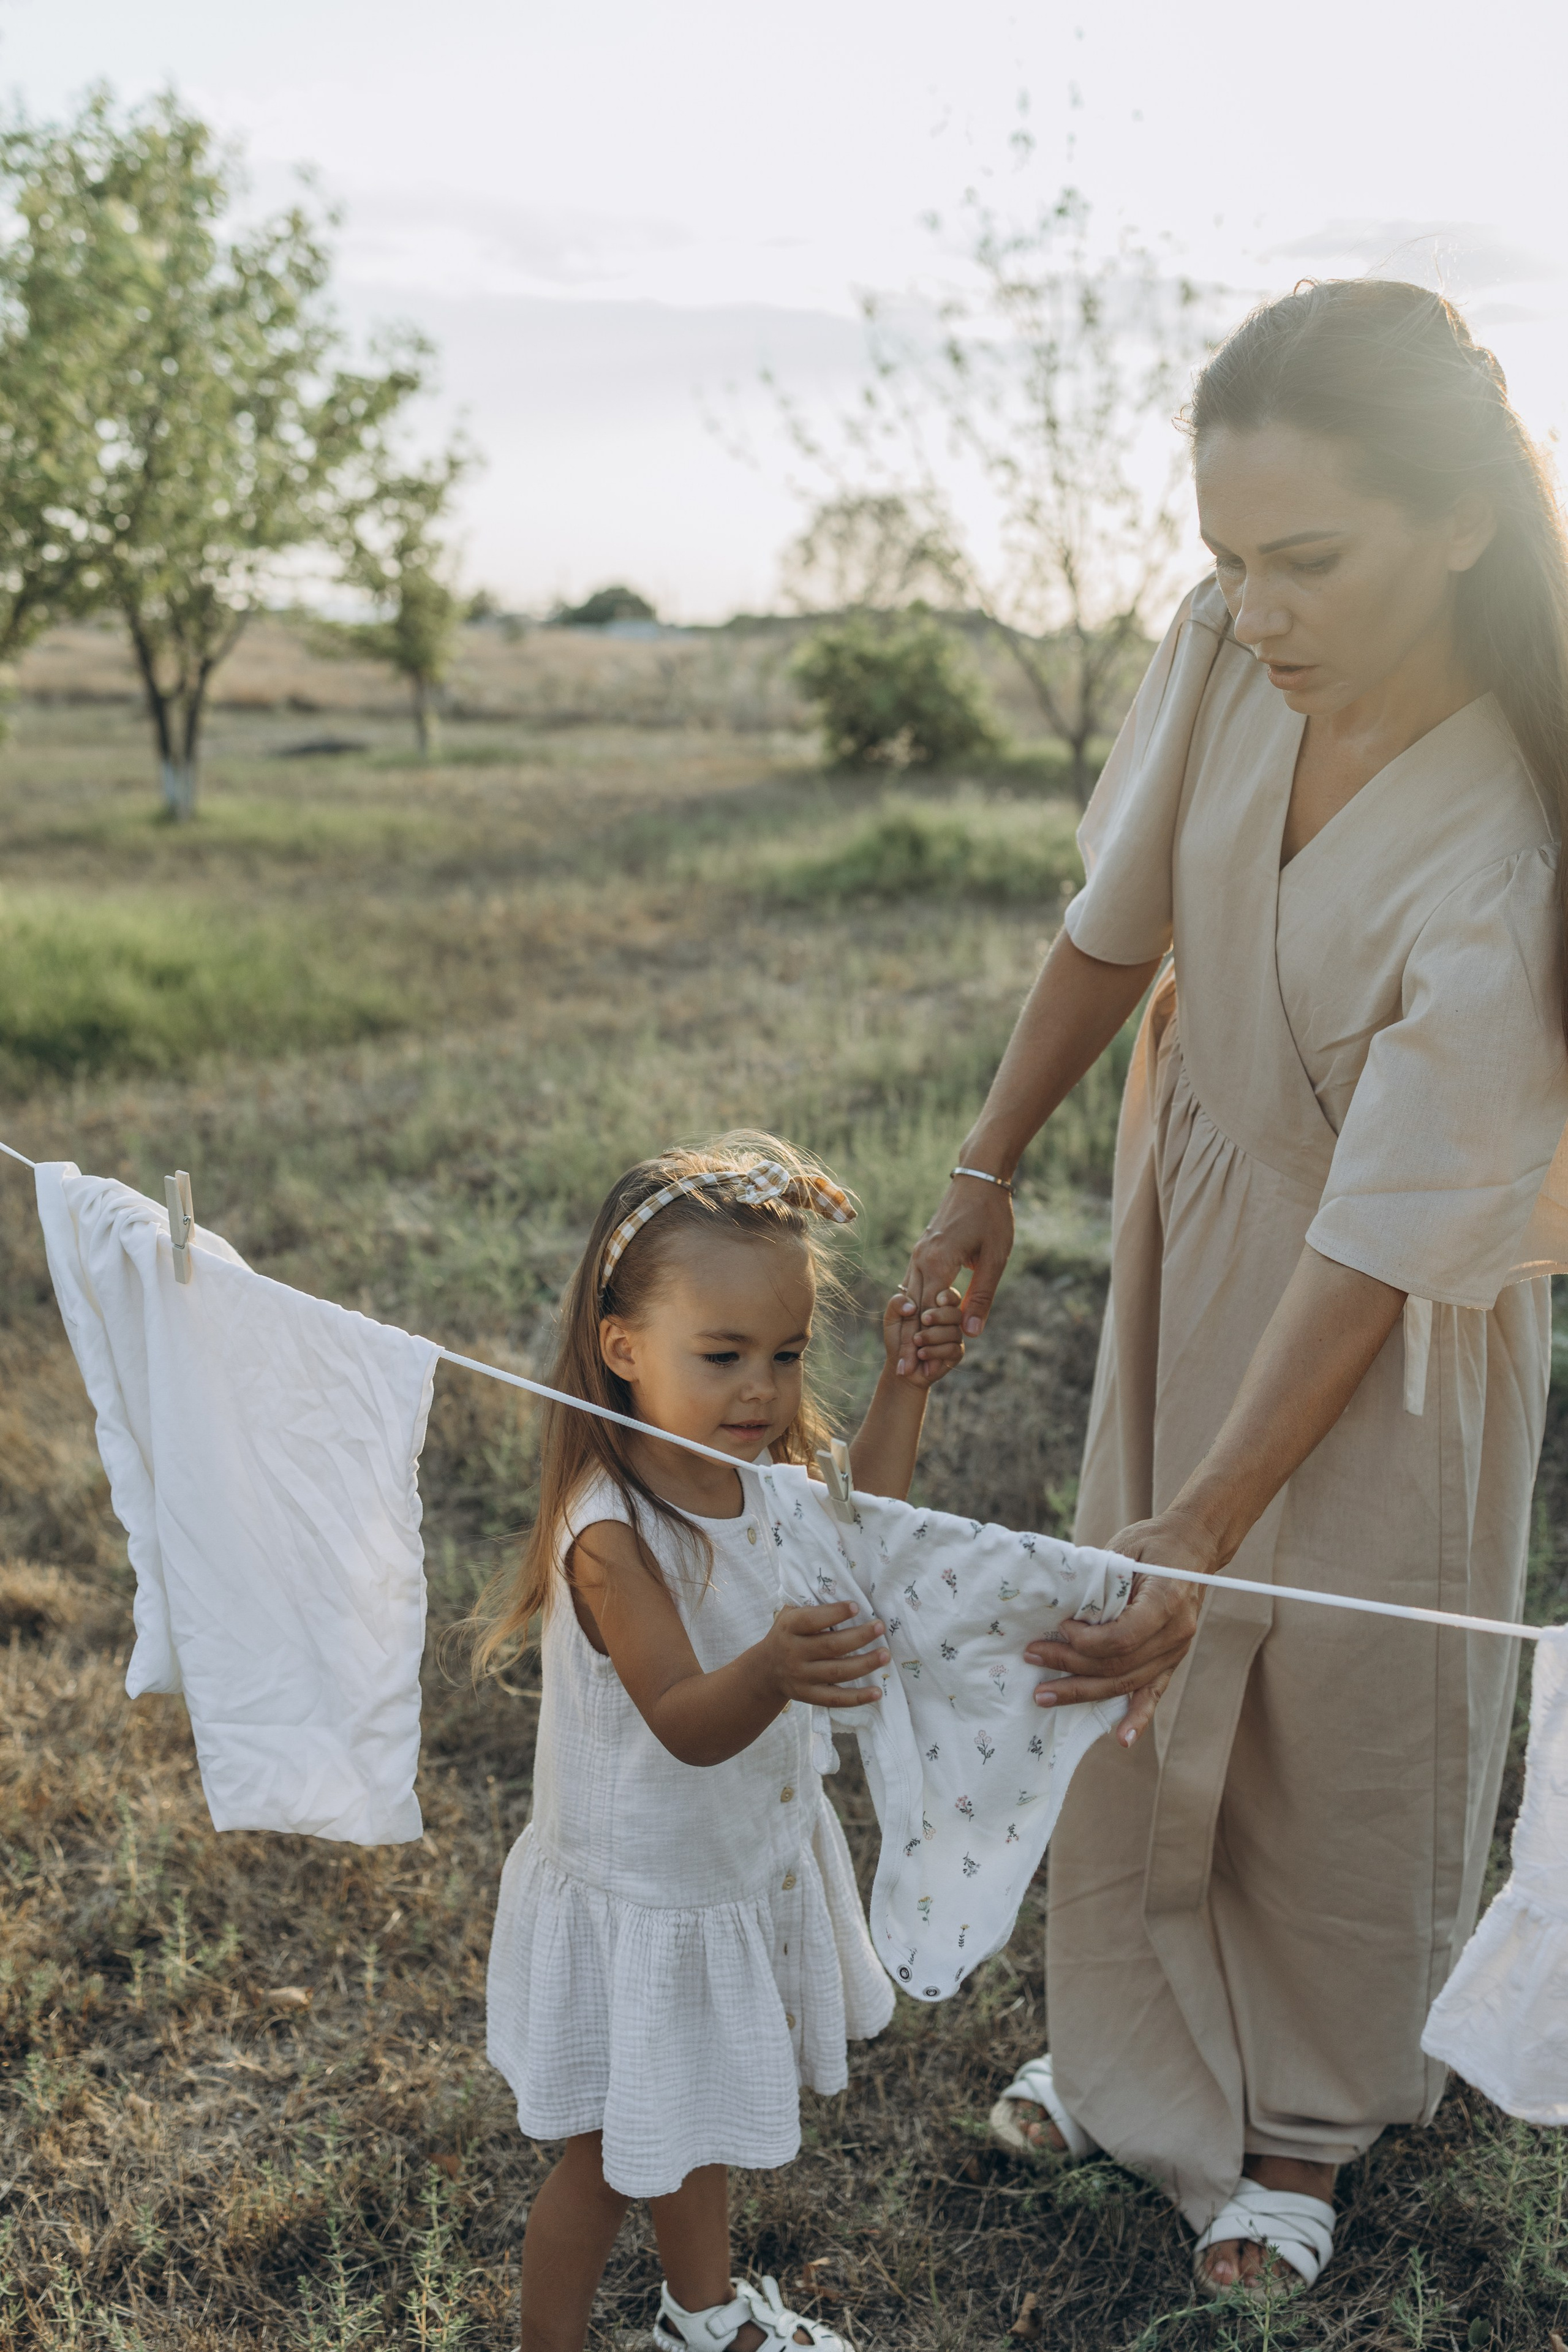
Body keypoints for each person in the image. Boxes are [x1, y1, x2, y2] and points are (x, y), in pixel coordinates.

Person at [898, 280, 1568, 2297]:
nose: (1255, 605)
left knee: (1335, 1685)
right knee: (1140, 1633)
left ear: (1459, 522)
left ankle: (1305, 2112)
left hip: (1394, 1290)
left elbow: (1395, 1213)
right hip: (1201, 1213)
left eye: (1309, 560)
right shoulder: (1223, 649)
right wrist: (986, 1168)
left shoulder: (1519, 840)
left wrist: (1220, 1511)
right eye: (1225, 557)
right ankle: (1129, 2040)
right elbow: (1119, 914)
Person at [473, 1134, 966, 2352]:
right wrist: (772, 1669)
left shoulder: (762, 1470)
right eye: (724, 1356)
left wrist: (903, 1383)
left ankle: (701, 2316)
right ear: (622, 1349)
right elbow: (686, 1722)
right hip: (646, 1890)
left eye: (786, 1354)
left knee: (685, 2120)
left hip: (730, 1865)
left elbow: (865, 1525)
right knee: (601, 2161)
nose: (761, 1387)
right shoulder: (607, 1531)